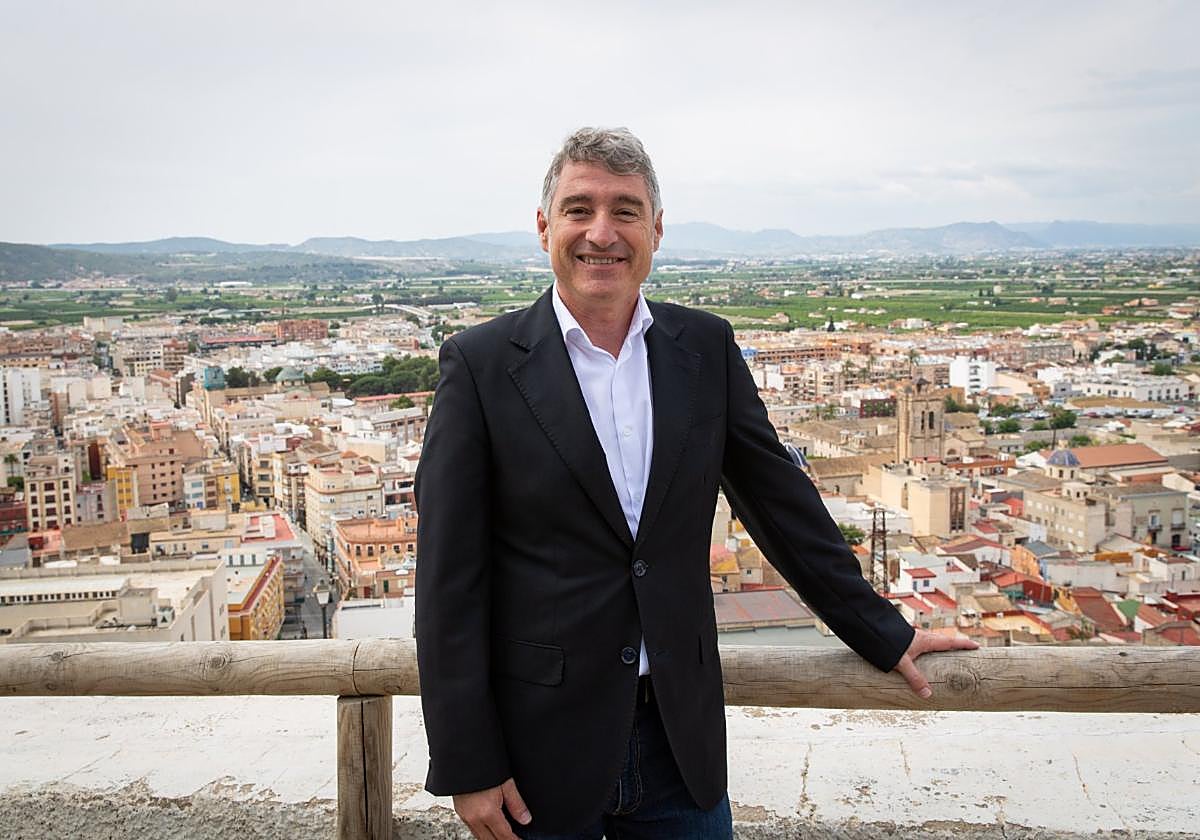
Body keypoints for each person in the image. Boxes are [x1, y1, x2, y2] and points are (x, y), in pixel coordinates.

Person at [414, 127, 977, 840]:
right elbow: (447, 580)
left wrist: (883, 632)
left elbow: (779, 504)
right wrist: (467, 761)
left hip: (680, 743)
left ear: (655, 228)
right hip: (537, 752)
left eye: (625, 210)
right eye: (579, 208)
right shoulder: (480, 364)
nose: (601, 232)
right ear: (543, 226)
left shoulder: (704, 348)